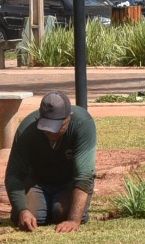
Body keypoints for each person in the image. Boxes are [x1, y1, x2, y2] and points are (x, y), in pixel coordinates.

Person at [5, 90, 96, 233]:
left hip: (69, 182)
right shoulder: (27, 129)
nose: (51, 132)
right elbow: (13, 175)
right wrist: (22, 210)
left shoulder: (83, 123)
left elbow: (84, 177)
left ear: (69, 117)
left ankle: (55, 208)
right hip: (37, 181)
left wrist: (73, 220)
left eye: (57, 126)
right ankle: (39, 207)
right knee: (33, 217)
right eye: (46, 125)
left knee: (62, 213)